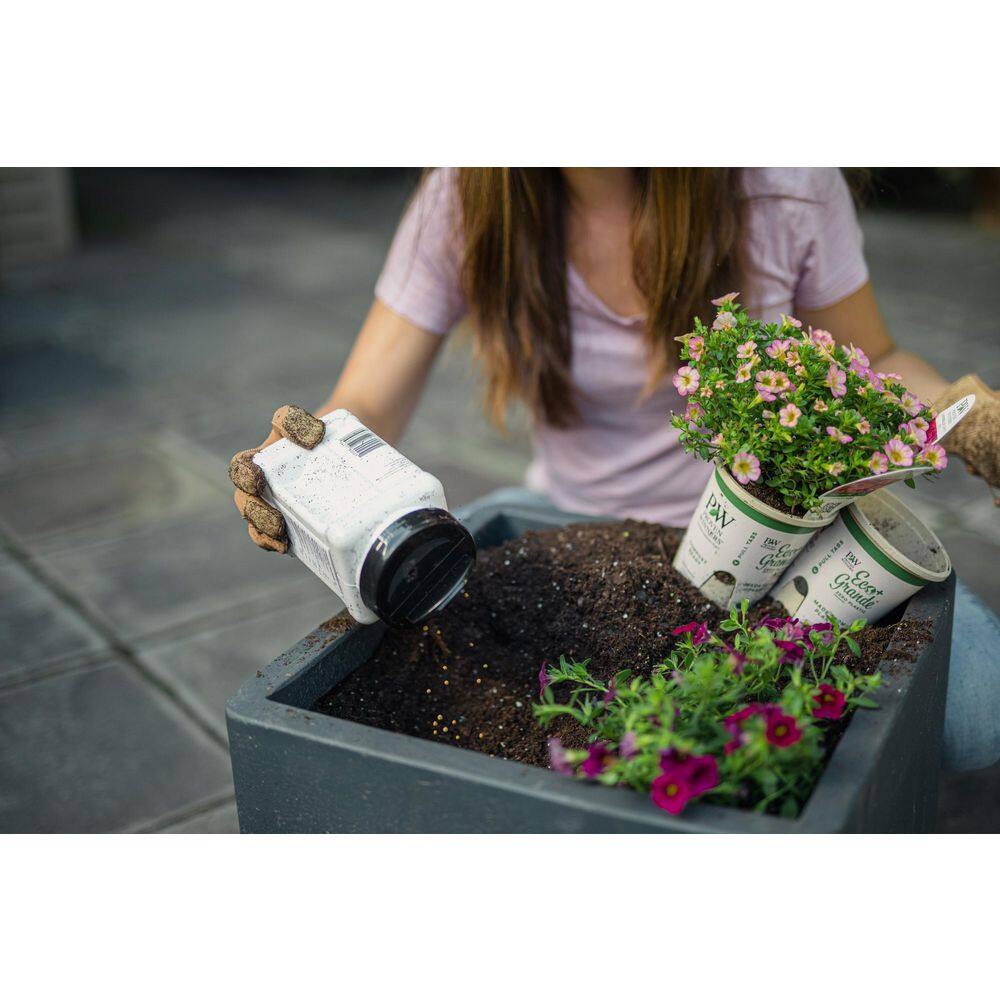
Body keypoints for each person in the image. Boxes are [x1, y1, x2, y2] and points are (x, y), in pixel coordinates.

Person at [229, 168, 1000, 772]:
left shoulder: (781, 182)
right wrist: (305, 475)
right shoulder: (467, 194)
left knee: (975, 716)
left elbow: (879, 356)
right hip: (573, 519)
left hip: (780, 534)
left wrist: (970, 418)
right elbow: (365, 403)